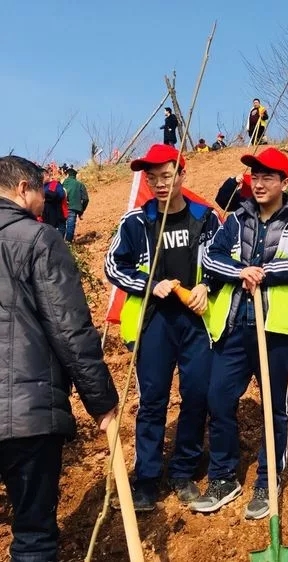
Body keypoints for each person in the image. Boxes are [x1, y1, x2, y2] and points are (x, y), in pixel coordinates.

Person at [190, 148, 288, 517]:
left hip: (274, 328)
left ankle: (268, 480)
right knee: (218, 400)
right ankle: (223, 477)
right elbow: (210, 258)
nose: (259, 183)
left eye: (268, 177)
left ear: (284, 182)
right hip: (234, 325)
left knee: (274, 406)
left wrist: (265, 272)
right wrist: (240, 272)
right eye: (255, 176)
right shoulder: (237, 219)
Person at [0, 155, 119, 562]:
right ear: (22, 189)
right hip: (25, 415)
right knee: (33, 535)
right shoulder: (39, 239)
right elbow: (69, 329)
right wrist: (101, 401)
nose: (44, 201)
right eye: (40, 191)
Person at [104, 143, 221, 511]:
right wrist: (148, 284)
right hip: (154, 322)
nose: (159, 183)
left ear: (182, 174)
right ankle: (147, 480)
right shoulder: (137, 222)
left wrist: (207, 286)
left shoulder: (205, 218)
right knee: (152, 401)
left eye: (166, 176)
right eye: (152, 178)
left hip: (196, 323)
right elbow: (113, 265)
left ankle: (184, 471)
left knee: (197, 396)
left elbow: (223, 260)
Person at [61, 166, 89, 243]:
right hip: (73, 208)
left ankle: (59, 242)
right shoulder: (80, 184)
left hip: (62, 207)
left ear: (67, 175)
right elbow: (86, 199)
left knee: (61, 225)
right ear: (75, 175)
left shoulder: (63, 183)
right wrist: (81, 211)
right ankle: (68, 242)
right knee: (71, 224)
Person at [42, 166, 67, 236]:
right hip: (48, 214)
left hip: (55, 212)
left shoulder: (54, 184)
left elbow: (61, 195)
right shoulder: (41, 186)